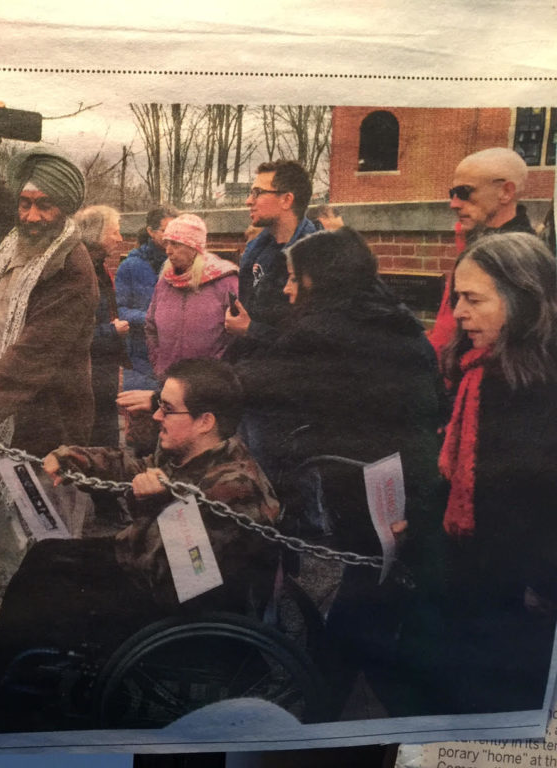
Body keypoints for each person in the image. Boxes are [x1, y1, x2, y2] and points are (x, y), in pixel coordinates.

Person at [0, 359, 280, 727]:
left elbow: (179, 579)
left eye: (167, 408)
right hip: (144, 562)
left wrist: (151, 501)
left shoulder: (235, 488)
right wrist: (73, 458)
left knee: (52, 589)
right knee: (45, 556)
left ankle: (17, 700)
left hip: (179, 606)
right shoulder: (198, 452)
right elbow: (133, 465)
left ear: (205, 421)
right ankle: (11, 673)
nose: (156, 416)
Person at [234, 227, 444, 716]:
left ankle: (333, 703)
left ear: (318, 280)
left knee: (362, 601)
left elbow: (259, 383)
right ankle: (336, 685)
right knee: (374, 591)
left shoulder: (324, 331)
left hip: (365, 489)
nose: (286, 289)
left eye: (293, 279)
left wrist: (178, 396)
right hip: (407, 479)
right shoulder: (397, 323)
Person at [0, 99, 98, 570]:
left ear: (64, 208)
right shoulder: (17, 238)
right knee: (12, 547)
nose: (29, 215)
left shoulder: (71, 267)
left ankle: (53, 638)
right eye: (25, 203)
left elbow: (33, 355)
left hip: (44, 430)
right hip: (5, 420)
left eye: (43, 205)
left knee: (46, 548)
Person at [433, 232, 557, 714]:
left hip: (524, 605)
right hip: (476, 592)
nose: (459, 313)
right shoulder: (476, 371)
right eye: (457, 297)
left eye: (473, 299)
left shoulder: (541, 388)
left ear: (521, 299)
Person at [428, 148, 535, 359]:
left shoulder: (520, 262)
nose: (454, 204)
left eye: (465, 192)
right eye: (453, 194)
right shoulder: (481, 247)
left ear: (506, 192)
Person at [225, 159, 316, 354]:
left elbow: (314, 341)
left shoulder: (317, 258)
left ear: (286, 200)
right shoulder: (258, 252)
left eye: (257, 193)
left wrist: (251, 330)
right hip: (252, 364)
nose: (248, 201)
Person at [144, 213, 239, 379]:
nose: (168, 251)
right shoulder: (165, 282)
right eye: (167, 243)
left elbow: (236, 336)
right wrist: (159, 363)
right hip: (169, 380)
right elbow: (151, 326)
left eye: (175, 244)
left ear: (194, 246)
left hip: (209, 382)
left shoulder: (226, 282)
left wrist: (216, 370)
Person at [74, 204, 130, 448]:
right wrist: (111, 331)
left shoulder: (98, 267)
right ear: (96, 234)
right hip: (88, 370)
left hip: (102, 367)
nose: (120, 238)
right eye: (114, 231)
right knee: (98, 435)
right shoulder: (79, 269)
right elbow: (70, 331)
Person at [114, 205, 178, 392]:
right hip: (140, 359)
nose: (172, 238)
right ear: (151, 231)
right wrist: (154, 318)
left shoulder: (183, 264)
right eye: (167, 231)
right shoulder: (130, 266)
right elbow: (119, 309)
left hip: (173, 355)